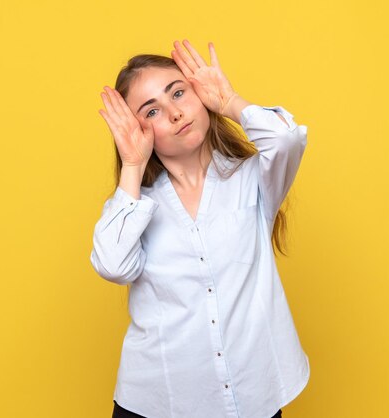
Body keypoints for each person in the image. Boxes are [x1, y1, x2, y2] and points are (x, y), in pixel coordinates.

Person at [90, 39, 310, 418]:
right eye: (153, 110)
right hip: (159, 402)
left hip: (252, 395)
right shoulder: (136, 205)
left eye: (179, 92)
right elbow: (112, 265)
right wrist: (131, 165)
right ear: (137, 130)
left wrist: (228, 101)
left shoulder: (251, 180)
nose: (175, 112)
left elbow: (286, 138)